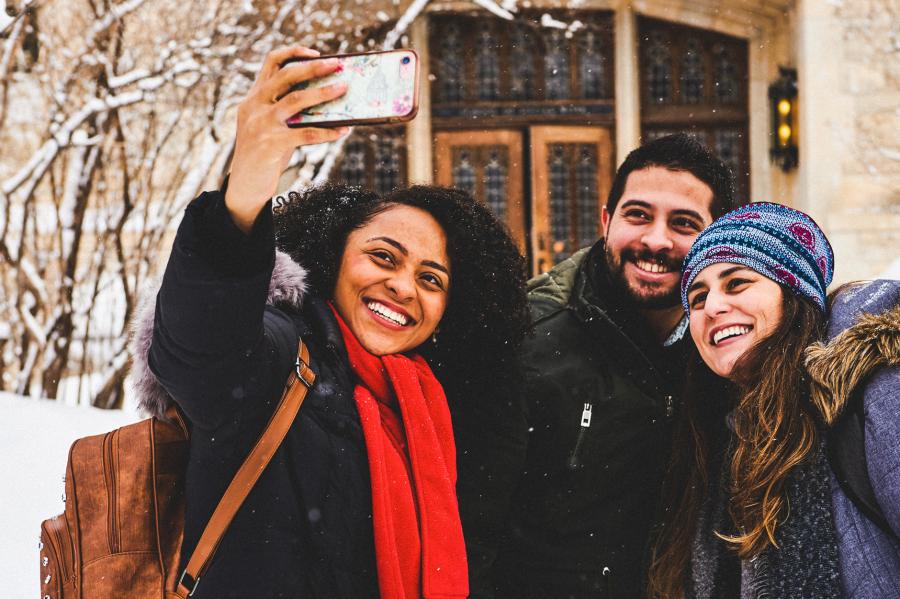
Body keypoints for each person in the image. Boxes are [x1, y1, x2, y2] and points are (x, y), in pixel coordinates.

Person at [127, 46, 529, 598]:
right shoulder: (279, 356)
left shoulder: (433, 412)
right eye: (383, 257)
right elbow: (201, 345)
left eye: (431, 279)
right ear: (334, 257)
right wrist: (248, 179)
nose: (404, 286)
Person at [457, 133, 736, 598]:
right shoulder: (527, 338)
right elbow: (470, 531)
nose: (655, 239)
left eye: (683, 223)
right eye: (638, 215)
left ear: (717, 238)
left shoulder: (730, 345)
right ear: (607, 220)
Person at [648, 202, 899, 597]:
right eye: (697, 298)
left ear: (792, 293)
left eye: (737, 283)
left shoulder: (875, 391)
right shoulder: (721, 432)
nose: (712, 307)